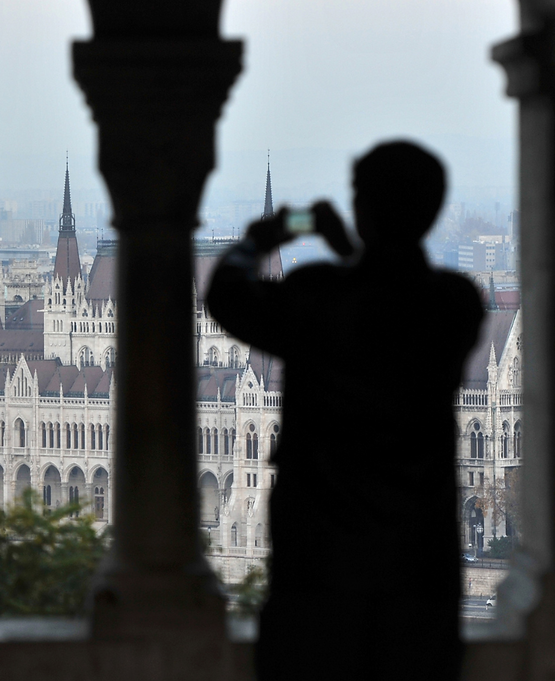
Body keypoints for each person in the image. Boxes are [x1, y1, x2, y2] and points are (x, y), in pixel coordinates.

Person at [206, 140, 483, 681]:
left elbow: (226, 297)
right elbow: (391, 298)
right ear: (431, 212)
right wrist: (359, 253)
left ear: (360, 209)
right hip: (417, 560)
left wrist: (263, 239)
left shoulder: (316, 297)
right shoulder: (455, 304)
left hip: (320, 557)